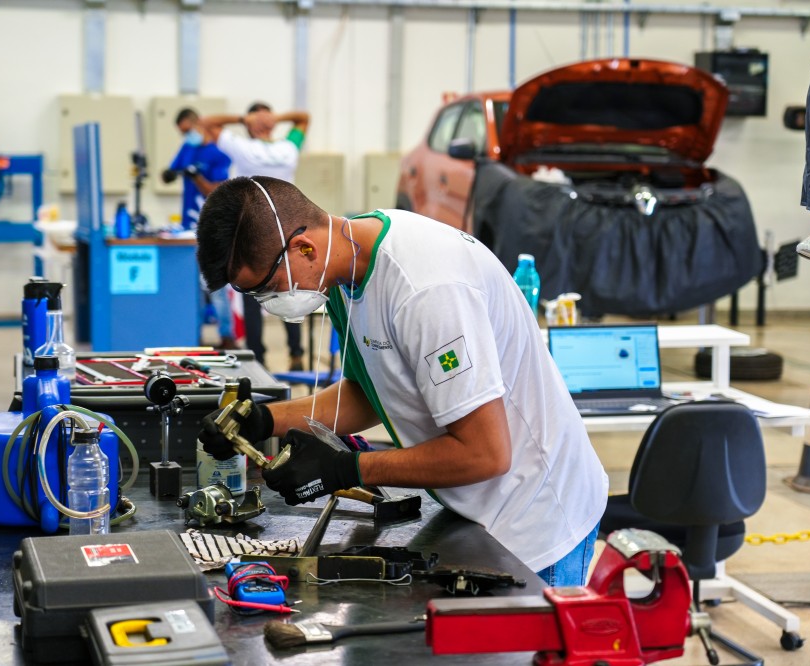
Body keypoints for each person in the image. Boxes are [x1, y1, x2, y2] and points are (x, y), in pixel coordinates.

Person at [195, 176, 608, 586]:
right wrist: (264, 420)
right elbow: (369, 393)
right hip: (476, 511)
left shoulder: (426, 290)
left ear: (305, 248)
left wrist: (348, 469)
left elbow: (486, 453)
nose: (269, 304)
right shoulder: (342, 271)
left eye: (269, 288)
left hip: (537, 523)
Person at [193, 103, 309, 370]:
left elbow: (206, 122)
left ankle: (257, 357)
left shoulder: (242, 148)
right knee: (289, 293)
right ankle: (296, 354)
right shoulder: (288, 149)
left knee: (254, 295)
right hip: (286, 231)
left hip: (252, 233)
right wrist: (275, 117)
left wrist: (245, 119)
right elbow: (303, 117)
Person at [165, 108, 237, 349]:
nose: (186, 136)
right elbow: (173, 169)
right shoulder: (188, 149)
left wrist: (196, 177)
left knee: (215, 284)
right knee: (191, 287)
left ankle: (227, 337)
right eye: (182, 133)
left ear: (199, 124)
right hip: (188, 228)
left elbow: (216, 190)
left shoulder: (218, 155)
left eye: (187, 131)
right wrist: (168, 174)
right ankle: (193, 336)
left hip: (212, 228)